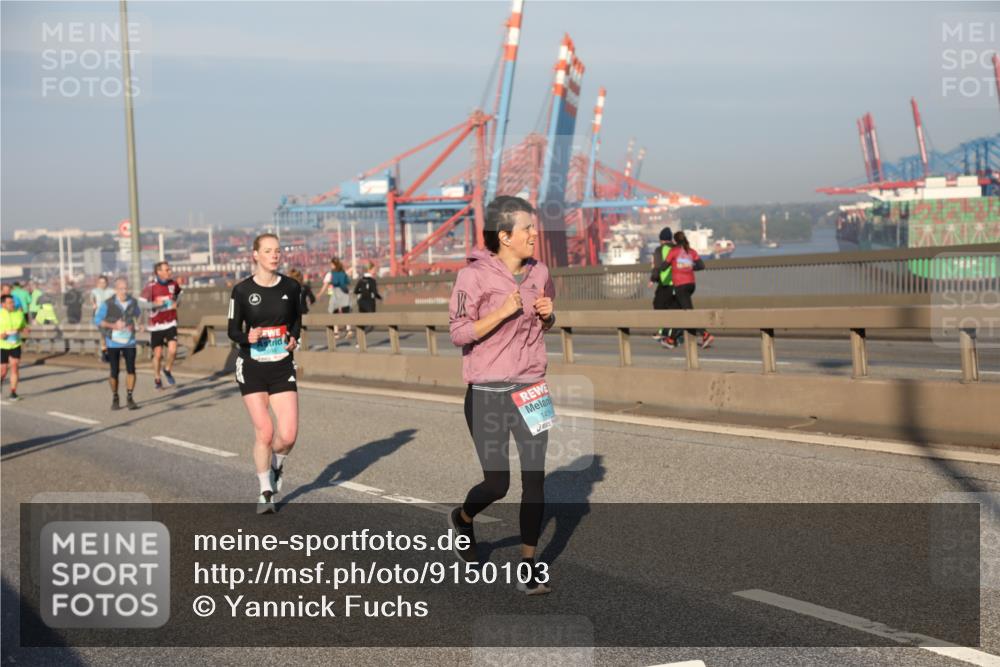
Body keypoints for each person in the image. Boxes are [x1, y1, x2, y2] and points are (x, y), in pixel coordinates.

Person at [447, 195, 556, 596]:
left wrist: (548, 315)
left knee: (536, 481)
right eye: (527, 228)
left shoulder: (540, 271)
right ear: (505, 236)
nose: (534, 234)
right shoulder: (471, 278)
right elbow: (458, 332)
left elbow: (548, 312)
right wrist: (500, 313)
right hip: (488, 392)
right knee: (498, 484)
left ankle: (529, 564)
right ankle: (462, 517)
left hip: (532, 388)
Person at [228, 233, 302, 515]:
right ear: (255, 255)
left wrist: (293, 338)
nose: (275, 255)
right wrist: (248, 335)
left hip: (282, 365)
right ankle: (265, 492)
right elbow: (232, 330)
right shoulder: (242, 291)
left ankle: (277, 466)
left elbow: (296, 322)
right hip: (252, 366)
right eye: (268, 251)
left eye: (278, 251)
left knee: (289, 435)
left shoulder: (292, 287)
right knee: (266, 431)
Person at [94, 278, 142, 410]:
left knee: (131, 369)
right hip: (113, 342)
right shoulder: (108, 304)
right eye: (121, 289)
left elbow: (138, 315)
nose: (124, 291)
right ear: (116, 289)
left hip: (129, 341)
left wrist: (139, 324)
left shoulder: (133, 302)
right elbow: (97, 320)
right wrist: (113, 325)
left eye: (126, 288)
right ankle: (115, 396)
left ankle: (130, 397)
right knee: (114, 372)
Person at [662, 231, 713, 349]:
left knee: (688, 312)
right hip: (691, 284)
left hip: (680, 285)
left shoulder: (673, 251)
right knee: (678, 311)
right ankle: (671, 339)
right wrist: (688, 267)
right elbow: (701, 266)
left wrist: (657, 269)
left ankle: (705, 334)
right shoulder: (691, 251)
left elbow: (664, 266)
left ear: (675, 241)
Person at [141, 262, 182, 390]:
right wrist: (154, 303)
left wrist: (177, 303)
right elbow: (141, 304)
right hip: (156, 325)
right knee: (158, 355)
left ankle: (167, 369)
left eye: (169, 269)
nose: (170, 271)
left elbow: (180, 295)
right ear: (159, 272)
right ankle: (157, 378)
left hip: (170, 322)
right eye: (167, 269)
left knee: (173, 350)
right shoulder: (150, 287)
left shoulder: (173, 284)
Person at [648, 226, 680, 344]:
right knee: (673, 307)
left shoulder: (659, 250)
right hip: (679, 282)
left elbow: (657, 266)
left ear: (661, 239)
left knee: (659, 305)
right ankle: (669, 332)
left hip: (666, 283)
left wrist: (652, 279)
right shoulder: (677, 248)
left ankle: (664, 331)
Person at [1, 294, 29, 401]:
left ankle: (13, 392)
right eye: (10, 303)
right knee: (3, 370)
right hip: (2, 345)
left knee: (15, 366)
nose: (13, 304)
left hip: (15, 344)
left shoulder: (19, 313)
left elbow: (23, 326)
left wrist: (25, 330)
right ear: (3, 304)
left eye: (13, 302)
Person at [321, 258, 353, 338]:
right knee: (346, 312)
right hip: (344, 293)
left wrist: (320, 293)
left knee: (333, 311)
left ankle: (336, 332)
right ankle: (348, 330)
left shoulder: (331, 273)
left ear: (334, 265)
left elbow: (326, 283)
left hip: (335, 293)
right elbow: (347, 282)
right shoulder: (343, 272)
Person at [90, 276, 115, 362]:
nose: (102, 284)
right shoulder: (94, 291)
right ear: (98, 283)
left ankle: (110, 353)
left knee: (110, 335)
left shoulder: (111, 291)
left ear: (107, 283)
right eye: (100, 282)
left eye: (104, 282)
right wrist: (93, 304)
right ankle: (105, 354)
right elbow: (91, 299)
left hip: (110, 317)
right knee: (104, 335)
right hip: (99, 317)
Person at [353, 264, 382, 334]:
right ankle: (361, 336)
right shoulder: (372, 280)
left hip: (361, 302)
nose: (375, 271)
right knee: (371, 325)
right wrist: (380, 298)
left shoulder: (361, 280)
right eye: (374, 270)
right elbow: (375, 293)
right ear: (369, 270)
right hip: (370, 303)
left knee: (362, 322)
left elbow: (355, 291)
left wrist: (363, 291)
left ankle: (359, 341)